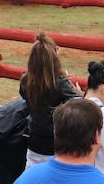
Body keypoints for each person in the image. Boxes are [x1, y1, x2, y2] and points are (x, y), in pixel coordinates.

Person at [20, 33, 81, 168]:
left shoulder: (25, 81)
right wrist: (77, 92)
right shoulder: (60, 82)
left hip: (34, 142)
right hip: (56, 145)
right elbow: (79, 105)